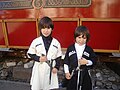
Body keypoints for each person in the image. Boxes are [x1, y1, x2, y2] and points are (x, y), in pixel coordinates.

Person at [27, 16, 62, 90]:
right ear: (40, 29)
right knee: (38, 86)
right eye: (43, 28)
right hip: (39, 68)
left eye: (48, 28)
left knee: (48, 87)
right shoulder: (36, 41)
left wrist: (56, 67)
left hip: (51, 68)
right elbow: (30, 53)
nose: (46, 31)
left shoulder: (56, 43)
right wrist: (38, 58)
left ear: (52, 29)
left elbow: (58, 56)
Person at [63, 26, 97, 90]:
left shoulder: (89, 49)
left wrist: (87, 62)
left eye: (84, 38)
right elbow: (66, 61)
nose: (81, 40)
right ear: (75, 37)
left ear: (87, 39)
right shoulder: (70, 48)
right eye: (79, 37)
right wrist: (66, 72)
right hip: (72, 74)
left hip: (84, 75)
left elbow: (94, 60)